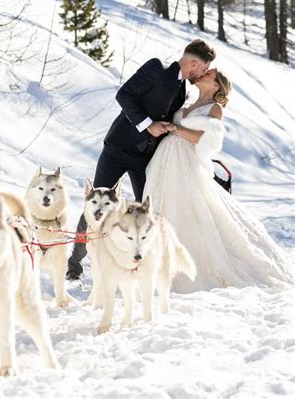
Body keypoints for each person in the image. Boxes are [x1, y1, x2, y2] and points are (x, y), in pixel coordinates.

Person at [66, 39, 216, 280]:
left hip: (145, 158)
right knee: (94, 206)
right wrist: (148, 125)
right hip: (117, 148)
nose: (201, 74)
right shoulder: (156, 68)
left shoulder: (184, 90)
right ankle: (74, 263)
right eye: (202, 68)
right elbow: (124, 95)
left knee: (144, 211)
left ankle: (134, 263)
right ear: (194, 63)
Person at [144, 68, 293, 291]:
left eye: (208, 74)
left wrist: (175, 128)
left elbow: (202, 138)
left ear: (216, 85)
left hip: (187, 161)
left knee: (191, 210)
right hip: (166, 158)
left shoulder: (215, 109)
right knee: (162, 205)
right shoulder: (186, 102)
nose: (202, 74)